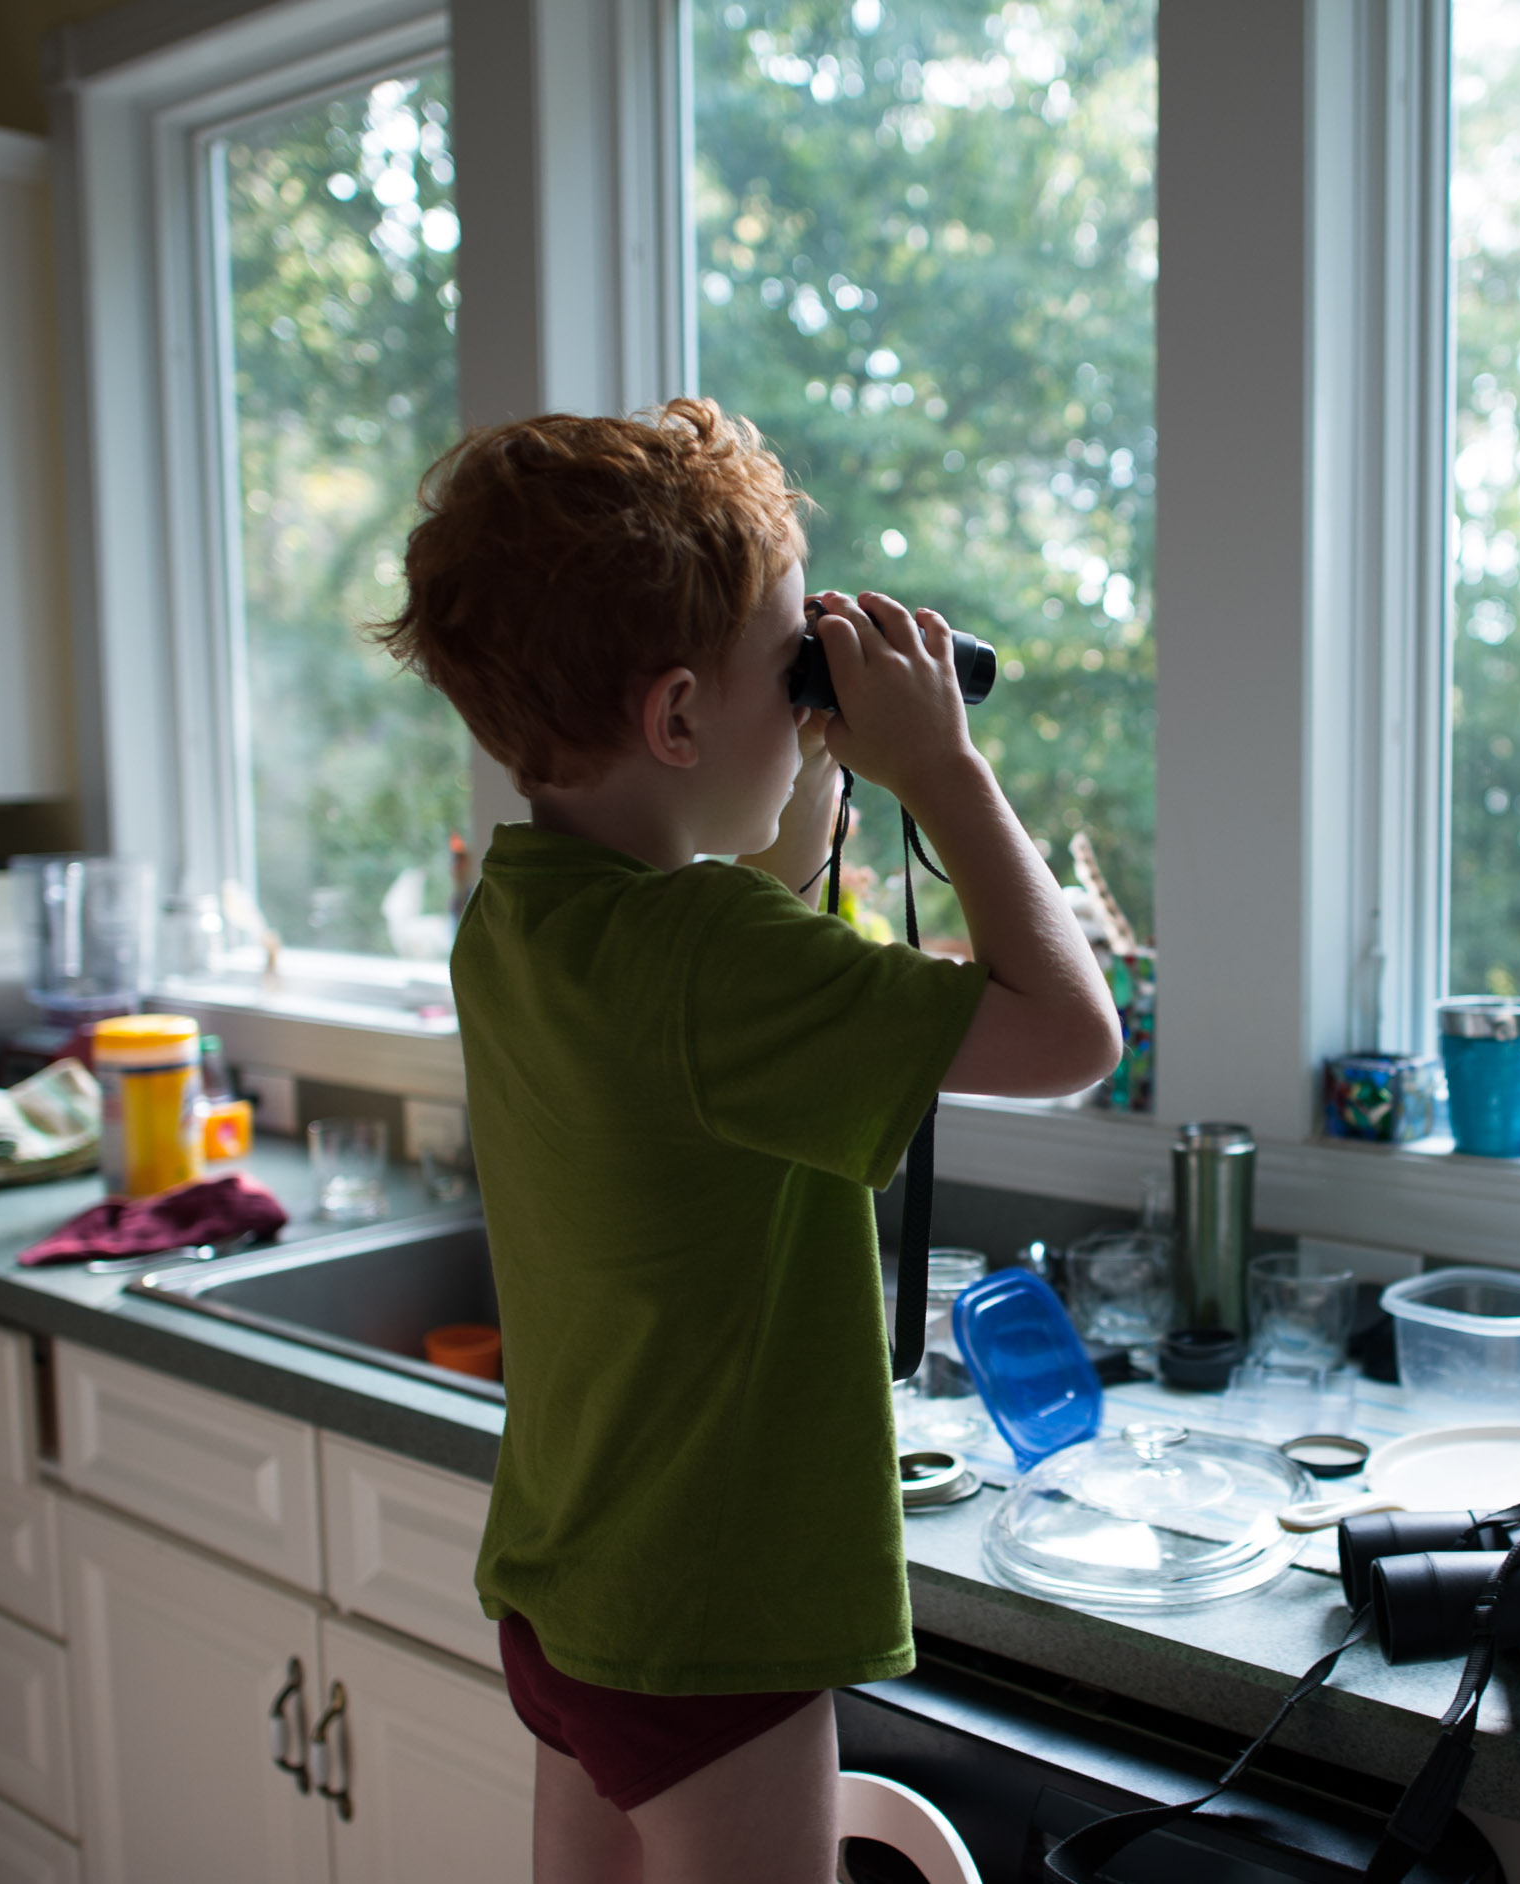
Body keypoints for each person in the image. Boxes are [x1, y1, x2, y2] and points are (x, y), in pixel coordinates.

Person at [375, 400, 1121, 1882]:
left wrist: (801, 776)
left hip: (573, 1591)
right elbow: (1070, 1033)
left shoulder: (522, 915)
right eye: (791, 665)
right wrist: (942, 772)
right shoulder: (711, 961)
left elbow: (726, 965)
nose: (812, 695)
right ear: (673, 719)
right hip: (715, 1626)